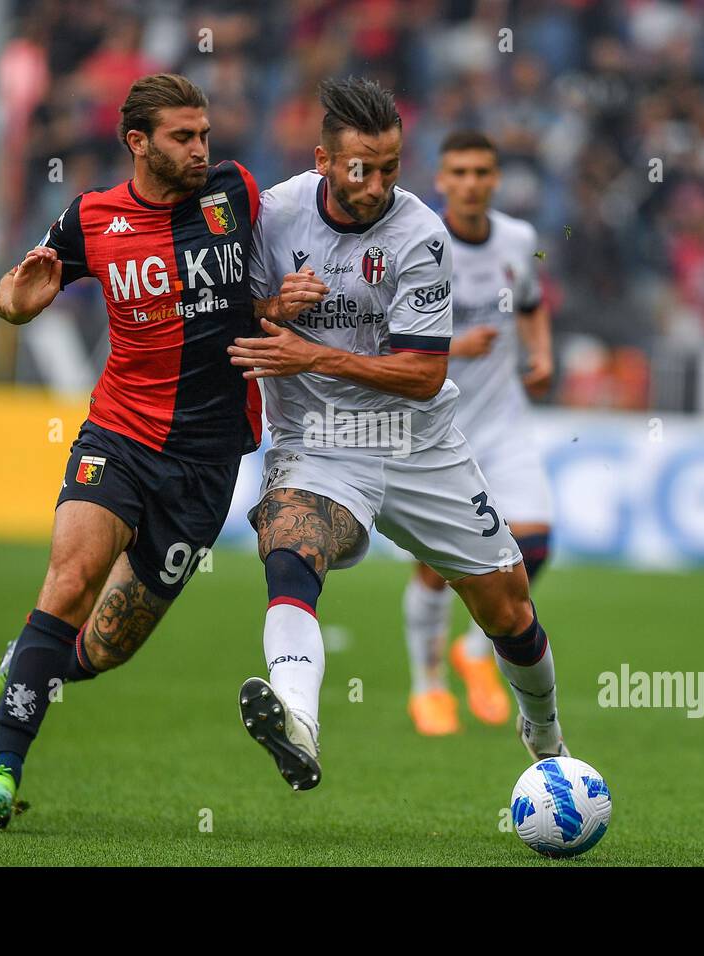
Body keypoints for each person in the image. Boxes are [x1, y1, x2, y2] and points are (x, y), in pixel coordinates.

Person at [229, 77, 568, 792]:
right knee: (290, 543)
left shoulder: (420, 234)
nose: (379, 183)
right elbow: (233, 324)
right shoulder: (274, 216)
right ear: (324, 159)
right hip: (317, 438)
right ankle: (298, 721)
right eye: (362, 168)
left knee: (508, 606)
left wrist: (308, 351)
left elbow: (419, 373)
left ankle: (547, 738)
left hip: (418, 443)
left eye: (390, 167)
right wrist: (269, 305)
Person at [0, 74, 262, 828]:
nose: (200, 149)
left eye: (203, 134)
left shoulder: (235, 193)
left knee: (108, 646)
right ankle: (4, 768)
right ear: (138, 142)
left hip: (208, 460)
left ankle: (11, 673)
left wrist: (284, 304)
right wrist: (13, 306)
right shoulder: (91, 218)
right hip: (119, 435)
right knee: (69, 581)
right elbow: (16, 293)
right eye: (182, 137)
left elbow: (276, 274)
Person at [402, 129, 554, 736]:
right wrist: (451, 344)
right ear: (440, 180)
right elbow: (384, 332)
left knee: (534, 545)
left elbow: (532, 302)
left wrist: (540, 356)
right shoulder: (419, 242)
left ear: (495, 180)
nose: (470, 183)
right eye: (458, 172)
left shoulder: (520, 239)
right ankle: (428, 685)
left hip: (505, 421)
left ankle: (475, 647)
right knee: (439, 566)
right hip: (436, 429)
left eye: (481, 172)